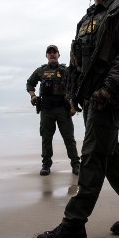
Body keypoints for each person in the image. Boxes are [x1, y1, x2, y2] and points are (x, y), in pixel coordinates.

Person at [35, 0, 119, 238]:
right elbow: (76, 62)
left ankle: (74, 223)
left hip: (108, 98)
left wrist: (108, 89)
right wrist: (71, 93)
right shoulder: (85, 21)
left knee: (92, 156)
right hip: (88, 100)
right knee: (109, 155)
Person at [26, 44, 80, 176]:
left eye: (54, 52)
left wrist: (73, 105)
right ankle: (46, 164)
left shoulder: (66, 70)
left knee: (69, 138)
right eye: (49, 53)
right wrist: (33, 96)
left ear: (58, 55)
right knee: (46, 138)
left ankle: (75, 164)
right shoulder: (41, 70)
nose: (52, 54)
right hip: (46, 109)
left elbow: (74, 86)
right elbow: (29, 83)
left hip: (63, 109)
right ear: (46, 56)